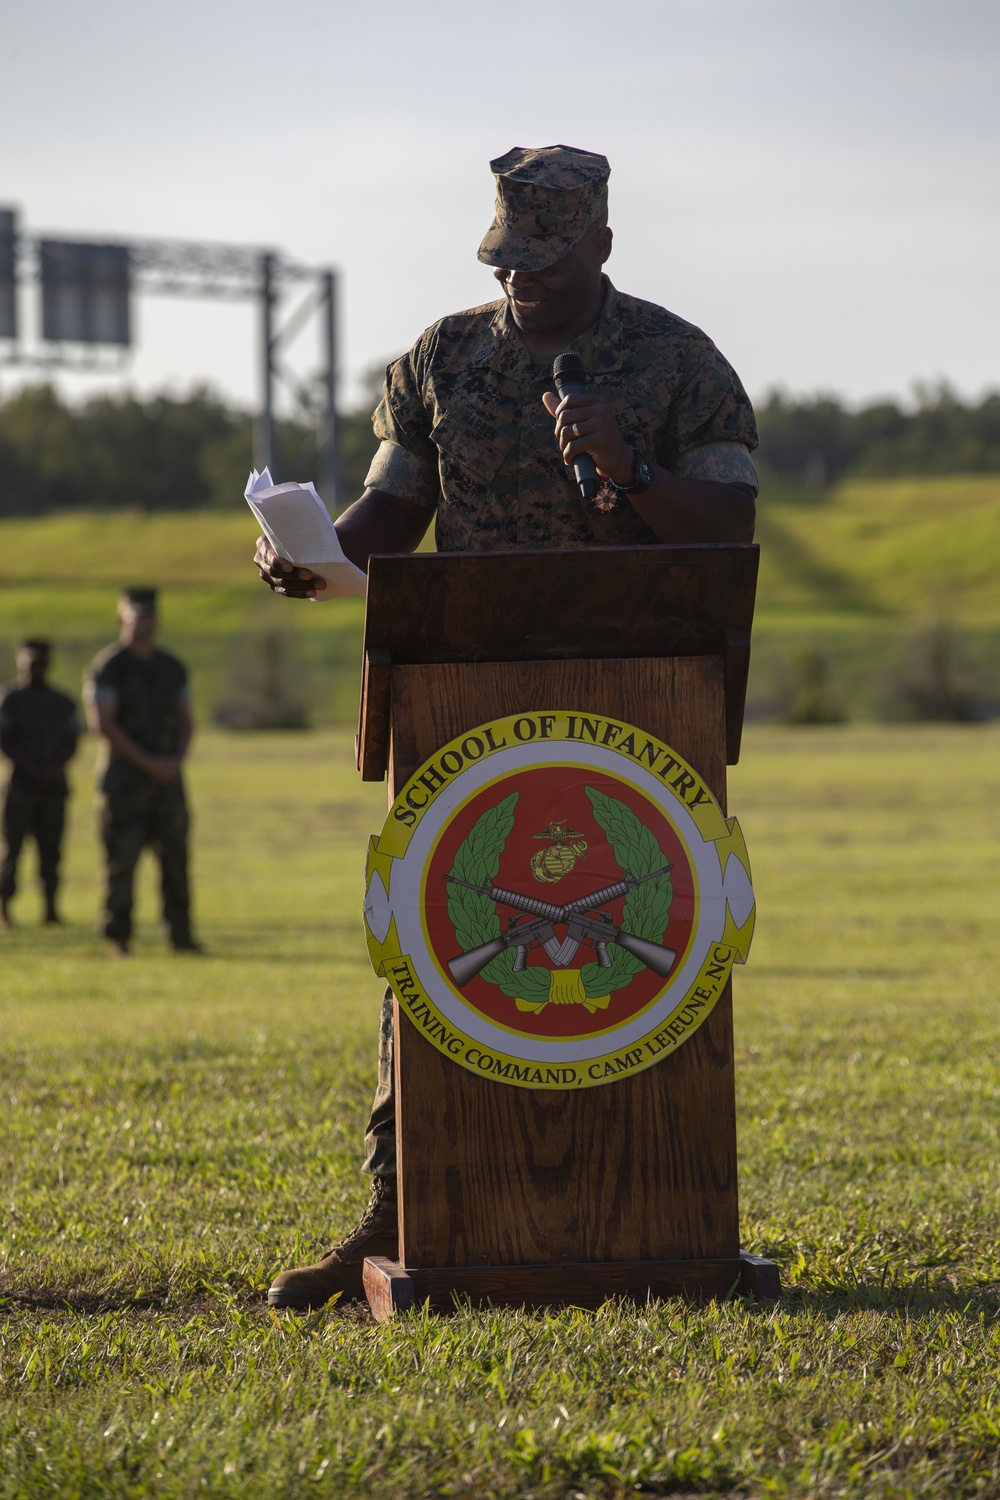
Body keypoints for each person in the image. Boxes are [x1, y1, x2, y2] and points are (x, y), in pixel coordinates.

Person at [255, 144, 759, 1309]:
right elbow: (392, 513)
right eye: (506, 258)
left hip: (639, 705)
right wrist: (314, 552)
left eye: (545, 257)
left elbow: (726, 528)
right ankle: (401, 1212)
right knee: (433, 950)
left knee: (646, 954)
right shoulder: (441, 357)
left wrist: (626, 470)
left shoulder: (680, 363)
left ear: (600, 247)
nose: (521, 278)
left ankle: (669, 1211)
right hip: (465, 700)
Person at [84, 589, 200, 957]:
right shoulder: (109, 667)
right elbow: (103, 726)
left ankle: (181, 935)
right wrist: (150, 763)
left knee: (176, 861)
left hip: (168, 782)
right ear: (122, 620)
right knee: (121, 863)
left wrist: (174, 761)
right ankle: (118, 936)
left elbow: (186, 720)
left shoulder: (172, 667)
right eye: (137, 617)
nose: (144, 624)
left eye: (150, 617)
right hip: (124, 783)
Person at [0, 640, 80, 928]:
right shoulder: (9, 699)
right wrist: (30, 767)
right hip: (20, 786)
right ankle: (5, 909)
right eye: (29, 663)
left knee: (52, 852)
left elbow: (73, 741)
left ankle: (51, 910)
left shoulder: (62, 702)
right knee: (13, 851)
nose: (35, 669)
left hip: (53, 787)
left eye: (40, 663)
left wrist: (52, 768)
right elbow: (4, 738)